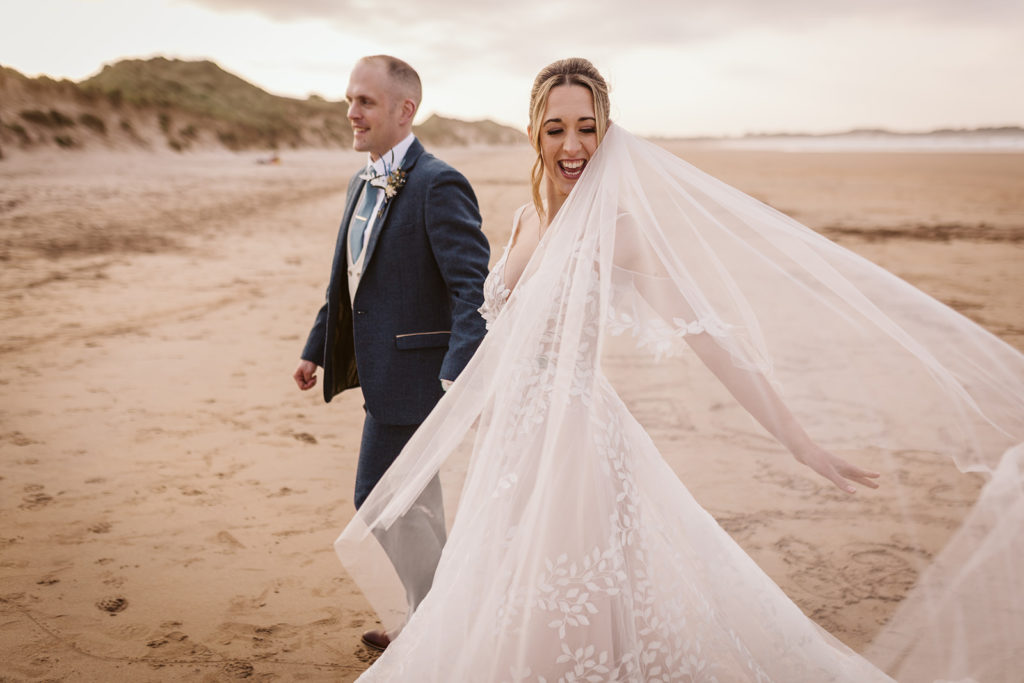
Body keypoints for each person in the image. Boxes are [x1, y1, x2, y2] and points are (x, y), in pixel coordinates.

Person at [335, 58, 1024, 680]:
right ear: (533, 135)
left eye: (587, 127)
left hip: (575, 447)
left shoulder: (619, 231)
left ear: (608, 134)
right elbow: (492, 332)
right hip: (511, 448)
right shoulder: (521, 221)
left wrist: (800, 441)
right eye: (556, 128)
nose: (572, 145)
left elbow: (714, 342)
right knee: (506, 597)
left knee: (567, 610)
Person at [293, 55, 490, 652]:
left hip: (421, 380)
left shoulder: (438, 182)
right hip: (381, 372)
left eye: (366, 102)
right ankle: (429, 613)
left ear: (406, 111)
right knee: (418, 507)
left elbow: (470, 288)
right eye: (350, 100)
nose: (351, 113)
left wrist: (458, 374)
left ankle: (433, 620)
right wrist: (317, 348)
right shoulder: (363, 181)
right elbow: (348, 281)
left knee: (378, 498)